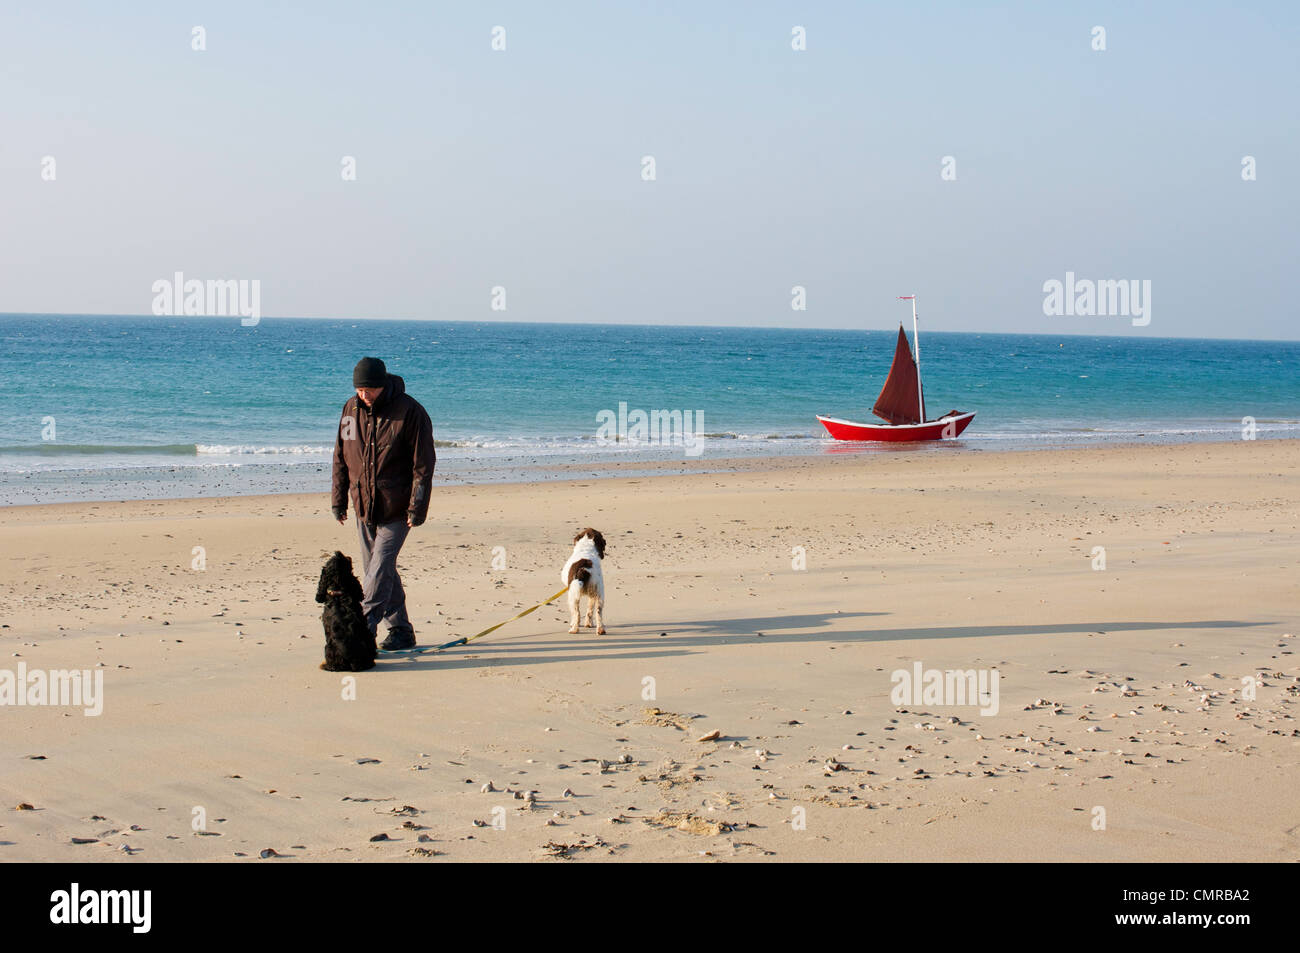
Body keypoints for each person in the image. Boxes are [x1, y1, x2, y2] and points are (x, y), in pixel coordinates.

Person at [330, 357, 435, 651]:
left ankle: (362, 629)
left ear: (384, 384)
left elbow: (423, 465)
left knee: (378, 569)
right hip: (364, 506)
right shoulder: (350, 410)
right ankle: (401, 631)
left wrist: (417, 506)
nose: (365, 396)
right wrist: (339, 500)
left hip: (398, 508)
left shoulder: (410, 412)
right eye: (360, 390)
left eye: (370, 390)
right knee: (379, 569)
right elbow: (342, 455)